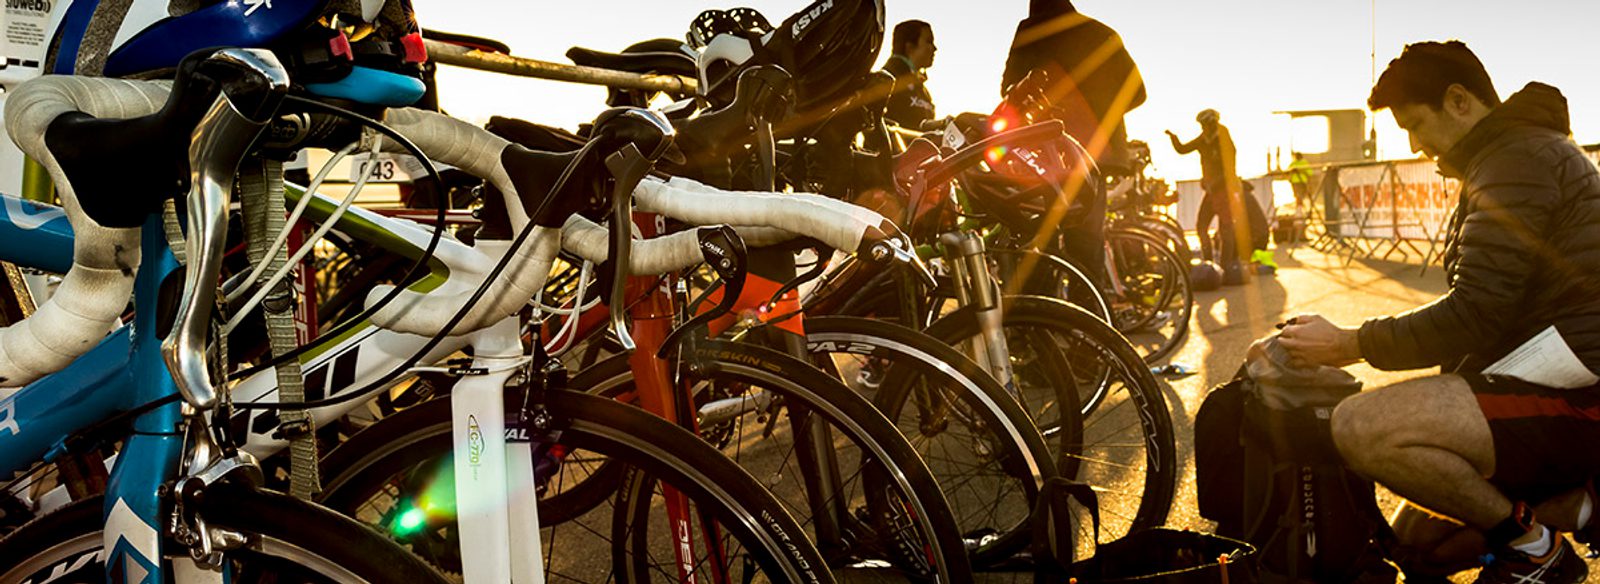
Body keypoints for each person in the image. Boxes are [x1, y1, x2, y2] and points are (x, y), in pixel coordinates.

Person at [1276, 40, 1600, 584]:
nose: (1413, 143)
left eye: (1415, 124)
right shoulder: (1508, 155)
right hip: (1549, 386)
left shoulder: (1515, 160)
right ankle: (1573, 508)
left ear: (1458, 101)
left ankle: (1537, 550)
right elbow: (1488, 317)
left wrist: (1349, 343)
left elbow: (1474, 314)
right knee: (1418, 546)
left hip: (1581, 400)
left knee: (1361, 426)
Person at [1001, 0, 1146, 173]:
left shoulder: (1034, 29)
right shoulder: (1103, 32)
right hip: (1109, 154)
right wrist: (1104, 116)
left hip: (1055, 155)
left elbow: (1009, 89)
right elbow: (1138, 93)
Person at [1168, 109, 1248, 283]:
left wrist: (1218, 183)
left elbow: (1230, 167)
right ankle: (1209, 264)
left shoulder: (1224, 138)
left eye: (1205, 125)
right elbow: (1183, 149)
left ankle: (1226, 267)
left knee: (1226, 228)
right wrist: (1173, 138)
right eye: (1201, 125)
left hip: (1224, 191)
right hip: (1211, 191)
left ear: (1212, 123)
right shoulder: (1203, 139)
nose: (1203, 128)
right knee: (1201, 226)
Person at [881, 20, 938, 131]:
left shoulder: (921, 88)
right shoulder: (886, 81)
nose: (935, 48)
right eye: (929, 41)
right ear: (910, 46)